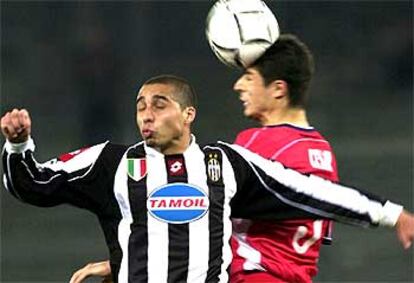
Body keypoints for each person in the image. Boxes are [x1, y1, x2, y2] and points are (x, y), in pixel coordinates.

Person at [2, 75, 414, 283]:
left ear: (188, 115)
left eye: (159, 105)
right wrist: (19, 146)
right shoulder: (110, 162)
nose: (146, 114)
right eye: (140, 105)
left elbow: (309, 191)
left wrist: (390, 213)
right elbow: (33, 184)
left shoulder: (225, 164)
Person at [230, 34, 338, 283]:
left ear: (279, 89)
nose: (238, 86)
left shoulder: (257, 142)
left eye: (249, 78)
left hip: (254, 275)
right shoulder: (323, 151)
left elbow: (216, 207)